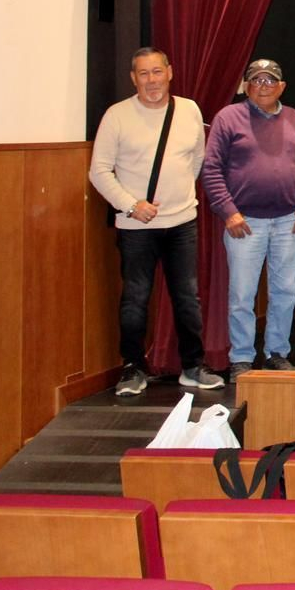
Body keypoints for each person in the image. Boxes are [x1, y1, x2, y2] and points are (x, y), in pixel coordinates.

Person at [89, 47, 224, 394]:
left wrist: (180, 198)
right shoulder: (117, 116)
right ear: (133, 78)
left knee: (187, 297)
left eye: (157, 72)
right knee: (135, 298)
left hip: (183, 222)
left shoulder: (189, 110)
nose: (151, 80)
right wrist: (132, 205)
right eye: (143, 74)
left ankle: (193, 366)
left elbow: (197, 158)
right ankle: (133, 368)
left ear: (170, 72)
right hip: (136, 227)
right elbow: (99, 171)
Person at [201, 58, 295, 377]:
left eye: (271, 81)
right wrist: (229, 212)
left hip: (288, 222)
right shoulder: (228, 117)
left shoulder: (294, 118)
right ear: (246, 85)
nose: (264, 86)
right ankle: (240, 357)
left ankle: (277, 353)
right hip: (244, 223)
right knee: (242, 293)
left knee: (285, 292)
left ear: (282, 87)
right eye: (257, 80)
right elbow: (211, 170)